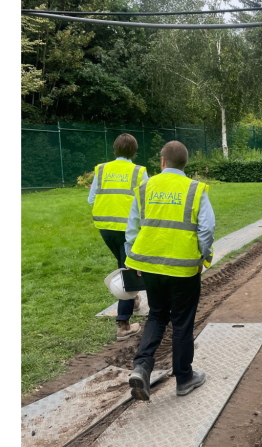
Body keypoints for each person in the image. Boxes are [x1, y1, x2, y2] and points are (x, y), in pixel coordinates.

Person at [125, 141, 215, 400]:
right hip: (184, 269)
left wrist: (134, 258)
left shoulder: (144, 188)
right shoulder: (196, 189)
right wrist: (202, 256)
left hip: (150, 267)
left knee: (156, 315)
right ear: (185, 163)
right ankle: (184, 378)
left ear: (162, 161)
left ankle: (142, 366)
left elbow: (132, 229)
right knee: (182, 323)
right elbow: (206, 229)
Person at [88, 133, 149, 341]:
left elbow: (91, 199)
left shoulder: (101, 169)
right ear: (134, 151)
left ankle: (133, 300)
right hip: (128, 229)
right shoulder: (139, 172)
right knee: (127, 268)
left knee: (124, 263)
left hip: (105, 227)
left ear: (115, 150)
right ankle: (123, 324)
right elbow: (147, 200)